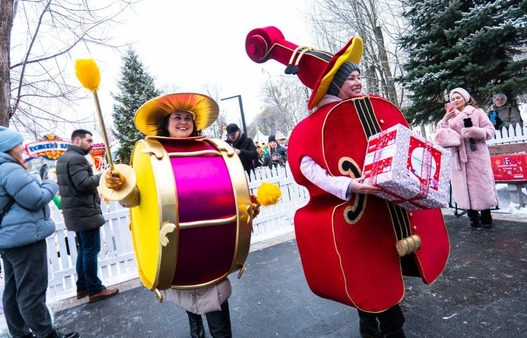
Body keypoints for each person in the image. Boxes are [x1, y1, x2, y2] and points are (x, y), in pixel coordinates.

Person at [246, 26, 450, 338]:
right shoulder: (314, 126)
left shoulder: (376, 107)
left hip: (390, 208)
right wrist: (350, 186)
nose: (358, 82)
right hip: (358, 214)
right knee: (371, 286)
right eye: (350, 78)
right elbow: (310, 170)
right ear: (334, 84)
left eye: (358, 77)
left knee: (379, 287)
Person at [103, 93, 259, 338]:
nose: (183, 122)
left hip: (209, 244)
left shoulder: (212, 149)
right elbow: (136, 200)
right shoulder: (151, 155)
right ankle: (196, 332)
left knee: (214, 299)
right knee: (188, 293)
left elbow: (229, 189)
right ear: (166, 122)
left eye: (188, 117)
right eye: (177, 117)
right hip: (177, 248)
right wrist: (121, 188)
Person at [0, 124, 79, 338]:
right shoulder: (8, 169)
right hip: (24, 238)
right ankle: (46, 334)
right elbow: (35, 198)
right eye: (18, 144)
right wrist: (49, 184)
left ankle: (21, 334)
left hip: (6, 238)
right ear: (8, 147)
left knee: (12, 290)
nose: (22, 147)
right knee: (31, 292)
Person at [56, 129, 119, 303]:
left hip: (76, 213)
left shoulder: (63, 158)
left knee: (84, 250)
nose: (91, 145)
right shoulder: (76, 159)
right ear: (77, 140)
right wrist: (103, 176)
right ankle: (95, 289)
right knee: (91, 250)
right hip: (85, 213)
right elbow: (83, 184)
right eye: (89, 141)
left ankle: (82, 286)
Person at [435, 88, 499, 228]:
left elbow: (490, 131)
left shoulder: (477, 112)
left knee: (480, 186)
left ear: (465, 98)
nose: (456, 100)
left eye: (458, 97)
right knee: (463, 187)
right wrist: (444, 120)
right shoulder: (449, 116)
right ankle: (472, 217)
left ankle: (486, 216)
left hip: (476, 155)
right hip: (458, 157)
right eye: (453, 99)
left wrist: (473, 132)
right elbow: (441, 136)